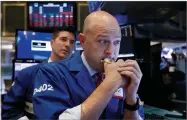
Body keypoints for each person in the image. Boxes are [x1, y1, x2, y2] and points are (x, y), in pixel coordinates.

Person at [33, 11, 144, 119]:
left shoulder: (121, 74)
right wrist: (109, 84)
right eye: (103, 41)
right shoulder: (51, 73)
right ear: (82, 41)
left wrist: (131, 98)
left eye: (116, 42)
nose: (111, 51)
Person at [2, 27, 76, 120]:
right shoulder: (28, 74)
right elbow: (10, 109)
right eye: (63, 39)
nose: (67, 45)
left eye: (72, 42)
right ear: (52, 43)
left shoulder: (77, 77)